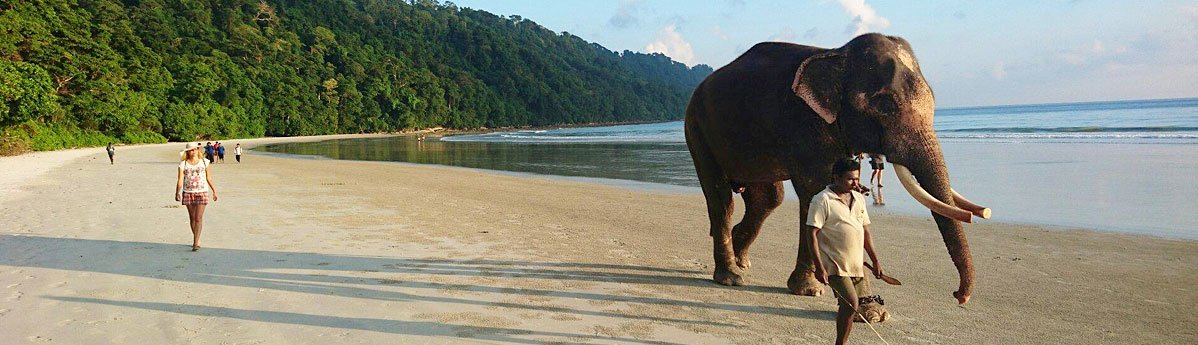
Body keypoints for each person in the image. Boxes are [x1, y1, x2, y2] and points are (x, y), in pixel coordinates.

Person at [808, 158, 885, 345]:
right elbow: (811, 234)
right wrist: (819, 267)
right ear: (836, 177)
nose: (855, 183)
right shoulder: (822, 200)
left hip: (856, 264)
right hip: (834, 264)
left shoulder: (859, 198)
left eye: (857, 179)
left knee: (849, 306)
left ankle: (841, 342)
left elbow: (866, 232)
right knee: (851, 303)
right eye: (850, 179)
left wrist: (875, 261)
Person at [176, 143, 218, 251]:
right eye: (190, 150)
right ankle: (197, 237)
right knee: (192, 218)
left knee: (198, 218)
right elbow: (180, 179)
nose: (193, 152)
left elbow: (209, 177)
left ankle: (195, 242)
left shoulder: (205, 162)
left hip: (202, 191)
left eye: (194, 149)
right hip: (188, 192)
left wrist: (214, 191)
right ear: (187, 152)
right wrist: (177, 192)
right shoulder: (183, 164)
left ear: (197, 150)